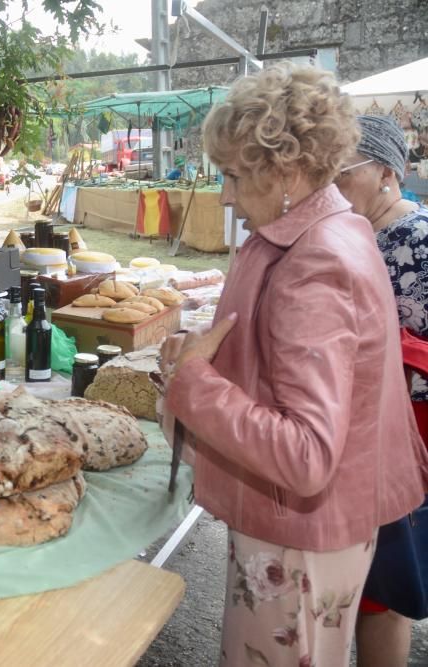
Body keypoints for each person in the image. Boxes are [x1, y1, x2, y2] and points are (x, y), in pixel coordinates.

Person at [158, 63, 428, 667]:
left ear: (283, 169)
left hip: (300, 538)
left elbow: (305, 455)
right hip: (305, 530)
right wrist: (215, 358)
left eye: (232, 176)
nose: (226, 196)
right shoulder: (329, 229)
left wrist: (195, 382)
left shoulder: (316, 261)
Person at [334, 114, 428, 667]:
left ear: (387, 173)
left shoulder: (415, 240)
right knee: (367, 584)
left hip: (404, 435)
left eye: (343, 174)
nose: (333, 188)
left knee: (383, 594)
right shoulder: (363, 232)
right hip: (371, 427)